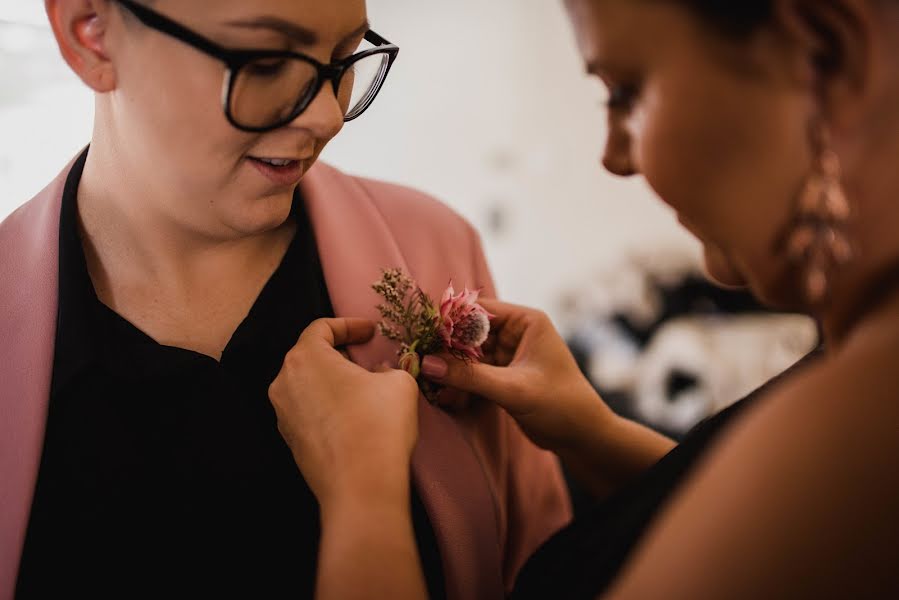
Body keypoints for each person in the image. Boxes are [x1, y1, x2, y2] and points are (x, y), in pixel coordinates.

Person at [271, 0, 899, 598]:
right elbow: (773, 529)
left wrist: (361, 493)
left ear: (828, 48)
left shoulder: (871, 410)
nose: (615, 156)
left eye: (626, 92)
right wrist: (592, 434)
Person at [0, 1, 572, 598]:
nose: (328, 118)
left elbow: (545, 567)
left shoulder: (431, 245)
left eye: (343, 59)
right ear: (89, 34)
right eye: (268, 62)